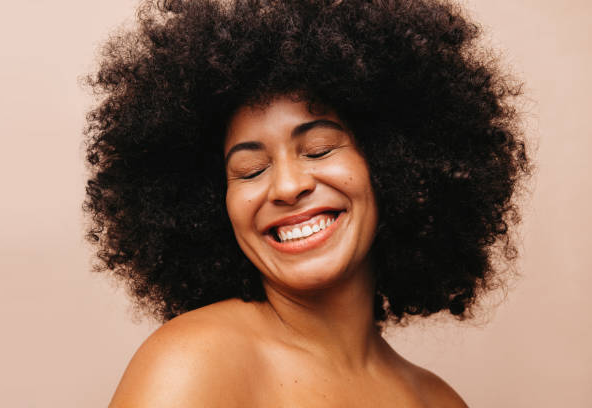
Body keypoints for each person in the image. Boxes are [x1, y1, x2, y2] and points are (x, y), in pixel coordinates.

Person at [83, 0, 531, 406]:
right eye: (251, 170)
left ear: (392, 163)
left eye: (318, 149)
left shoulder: (438, 402)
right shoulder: (197, 361)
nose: (287, 187)